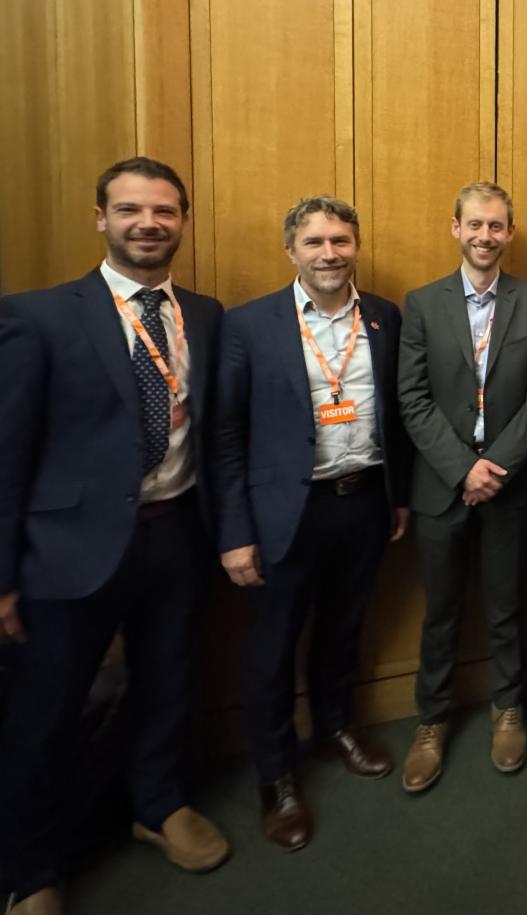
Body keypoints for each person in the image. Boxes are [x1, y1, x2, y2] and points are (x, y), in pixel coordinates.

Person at [0, 157, 229, 915]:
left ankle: (156, 804)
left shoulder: (204, 313)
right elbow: (7, 452)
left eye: (164, 210)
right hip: (65, 552)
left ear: (183, 221)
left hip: (177, 535)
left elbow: (213, 431)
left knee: (167, 681)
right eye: (130, 209)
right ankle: (33, 869)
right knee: (44, 712)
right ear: (100, 217)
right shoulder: (39, 315)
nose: (148, 223)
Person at [212, 196, 411, 850]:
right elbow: (227, 435)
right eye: (316, 241)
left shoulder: (383, 317)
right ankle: (278, 777)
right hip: (282, 514)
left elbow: (398, 416)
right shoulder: (248, 325)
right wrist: (235, 531)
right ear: (291, 250)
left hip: (361, 504)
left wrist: (398, 497)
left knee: (343, 628)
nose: (330, 252)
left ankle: (334, 728)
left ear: (356, 245)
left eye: (341, 240)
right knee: (271, 649)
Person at [397, 182, 527, 791]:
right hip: (441, 485)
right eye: (475, 225)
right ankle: (431, 720)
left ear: (510, 234)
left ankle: (507, 708)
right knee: (440, 611)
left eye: (497, 226)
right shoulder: (422, 303)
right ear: (455, 228)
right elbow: (411, 397)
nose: (486, 236)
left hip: (511, 485)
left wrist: (499, 468)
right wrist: (463, 467)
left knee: (506, 606)